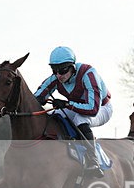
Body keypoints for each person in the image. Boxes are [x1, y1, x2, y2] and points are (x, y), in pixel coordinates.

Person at [34, 46, 113, 177]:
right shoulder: (57, 77)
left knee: (80, 119)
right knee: (53, 115)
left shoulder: (89, 74)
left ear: (72, 67)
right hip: (79, 107)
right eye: (54, 70)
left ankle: (93, 161)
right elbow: (37, 95)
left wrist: (67, 104)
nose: (59, 75)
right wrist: (39, 99)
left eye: (63, 70)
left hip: (102, 108)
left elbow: (92, 109)